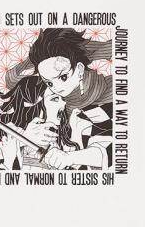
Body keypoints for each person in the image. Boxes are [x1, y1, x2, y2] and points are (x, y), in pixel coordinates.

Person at [27, 28, 113, 170]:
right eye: (49, 83)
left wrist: (70, 158)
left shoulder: (100, 102)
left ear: (79, 69)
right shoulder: (49, 103)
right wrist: (29, 137)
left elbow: (109, 150)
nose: (56, 87)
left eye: (63, 77)